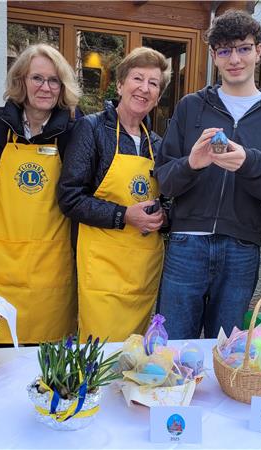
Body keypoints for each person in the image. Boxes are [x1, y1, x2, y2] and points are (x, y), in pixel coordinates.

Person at [155, 10, 261, 339]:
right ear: (214, 56)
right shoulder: (191, 106)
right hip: (186, 243)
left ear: (258, 51)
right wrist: (191, 163)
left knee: (229, 348)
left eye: (243, 49)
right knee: (174, 342)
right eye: (224, 50)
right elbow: (165, 179)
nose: (234, 59)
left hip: (242, 246)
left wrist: (248, 163)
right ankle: (175, 394)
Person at [58, 47, 170, 342]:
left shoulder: (157, 144)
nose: (144, 88)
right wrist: (124, 215)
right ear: (120, 84)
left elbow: (170, 198)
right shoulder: (91, 129)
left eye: (154, 83)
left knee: (135, 355)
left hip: (142, 272)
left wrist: (163, 215)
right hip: (102, 272)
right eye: (137, 78)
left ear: (158, 95)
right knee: (100, 352)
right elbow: (70, 198)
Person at [0, 44, 81, 345]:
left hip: (52, 264)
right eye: (37, 78)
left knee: (47, 360)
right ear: (21, 80)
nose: (45, 87)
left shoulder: (74, 129)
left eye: (54, 81)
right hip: (0, 263)